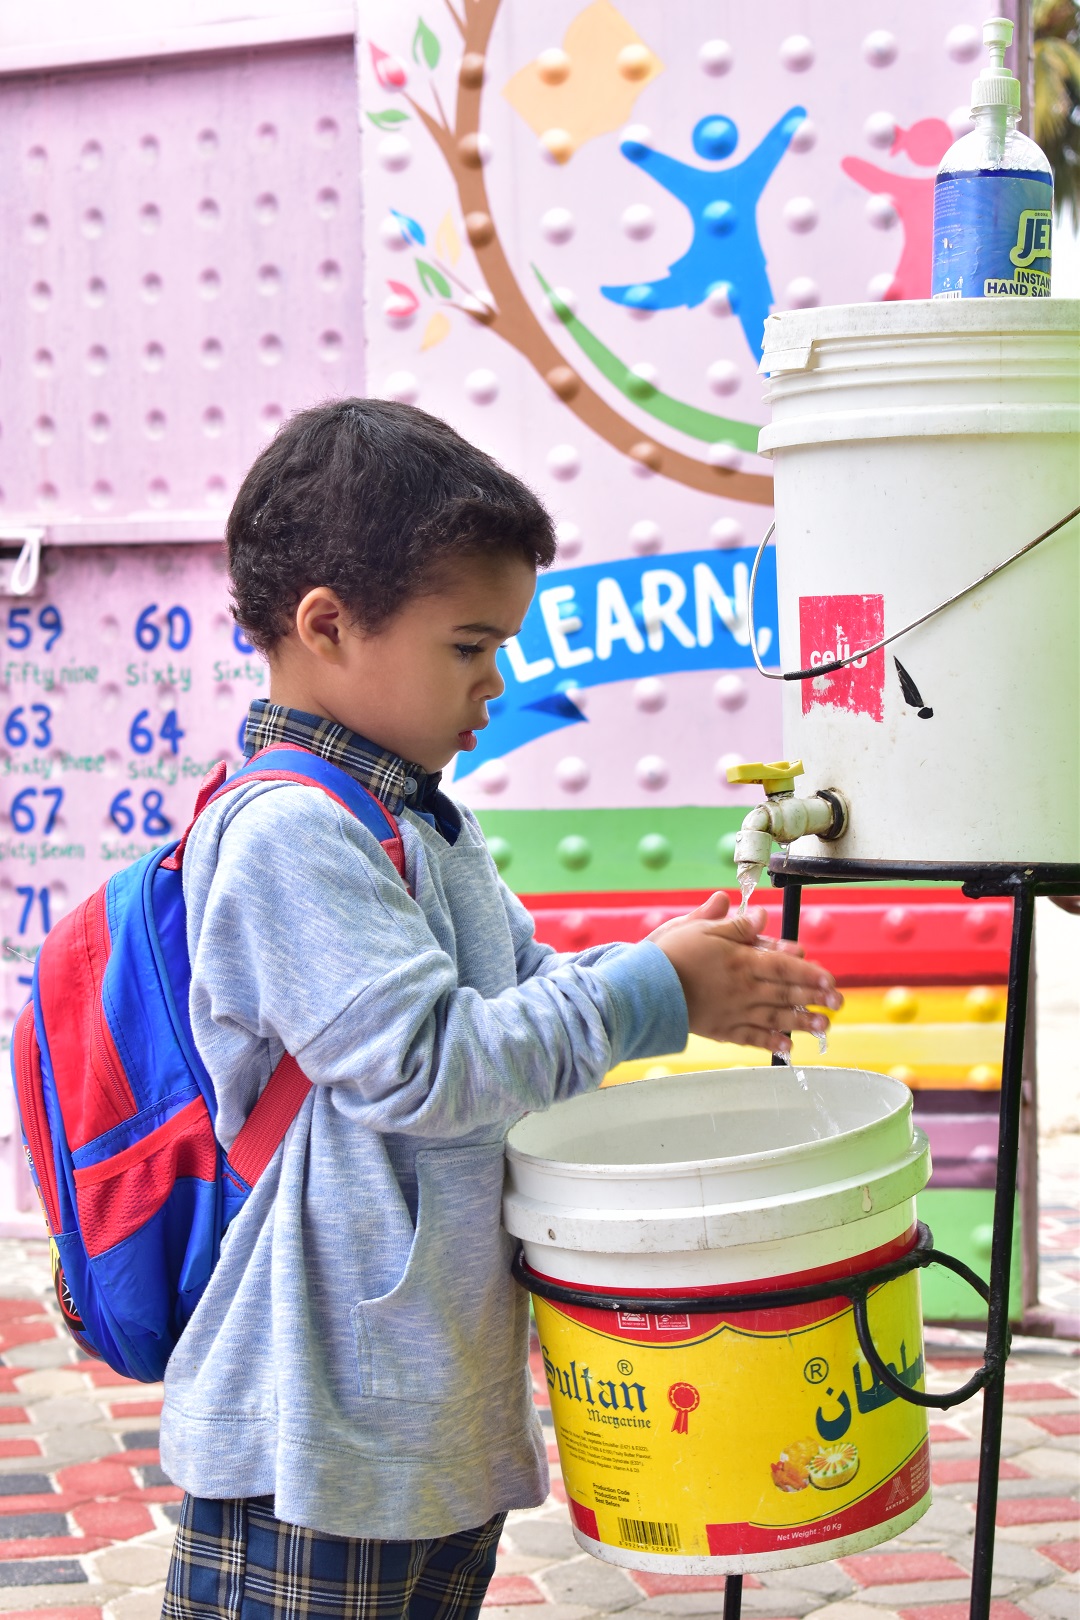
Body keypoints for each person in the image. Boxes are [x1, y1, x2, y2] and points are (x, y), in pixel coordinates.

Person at [159, 398, 841, 1619]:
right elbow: (428, 1067)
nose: (497, 681)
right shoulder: (286, 835)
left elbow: (522, 1002)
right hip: (317, 1433)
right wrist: (654, 991)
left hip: (425, 1408)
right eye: (470, 646)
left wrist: (672, 970)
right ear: (328, 625)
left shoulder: (421, 819)